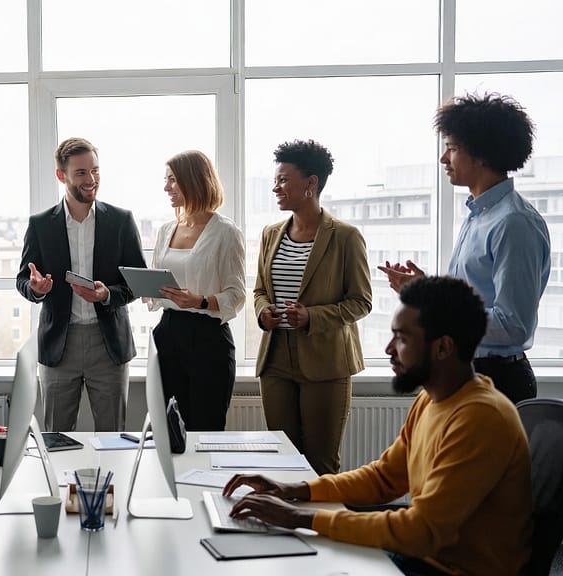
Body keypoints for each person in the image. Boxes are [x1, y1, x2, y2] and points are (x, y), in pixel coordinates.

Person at [224, 276, 532, 576]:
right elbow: (383, 479)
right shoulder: (432, 399)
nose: (389, 349)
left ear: (443, 348)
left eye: (402, 338)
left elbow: (422, 531)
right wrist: (295, 490)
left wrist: (299, 517)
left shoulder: (480, 418)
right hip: (421, 558)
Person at [378, 93, 550, 404]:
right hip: (466, 372)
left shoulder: (513, 223)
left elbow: (513, 326)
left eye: (453, 148)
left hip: (497, 378)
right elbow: (474, 297)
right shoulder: (480, 214)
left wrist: (437, 307)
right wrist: (427, 290)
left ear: (482, 154)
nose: (444, 159)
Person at [254, 139, 372, 475]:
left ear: (311, 183)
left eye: (283, 180)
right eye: (275, 180)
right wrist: (263, 312)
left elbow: (361, 301)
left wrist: (312, 317)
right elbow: (260, 290)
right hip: (276, 360)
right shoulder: (270, 234)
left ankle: (323, 513)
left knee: (320, 463)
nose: (275, 188)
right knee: (283, 461)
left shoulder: (345, 236)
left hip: (326, 361)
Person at [16, 137, 146, 432]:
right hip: (59, 345)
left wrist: (107, 294)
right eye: (81, 173)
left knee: (112, 437)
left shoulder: (121, 221)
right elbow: (23, 279)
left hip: (108, 344)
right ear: (61, 175)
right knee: (56, 437)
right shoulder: (40, 225)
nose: (91, 179)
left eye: (95, 171)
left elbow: (137, 282)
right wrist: (35, 289)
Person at [148, 150, 245, 430]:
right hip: (167, 333)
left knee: (206, 429)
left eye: (173, 180)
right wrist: (148, 287)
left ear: (193, 180)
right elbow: (159, 279)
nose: (166, 187)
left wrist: (199, 301)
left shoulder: (226, 232)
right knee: (168, 431)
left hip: (208, 340)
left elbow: (236, 295)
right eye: (166, 180)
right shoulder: (166, 230)